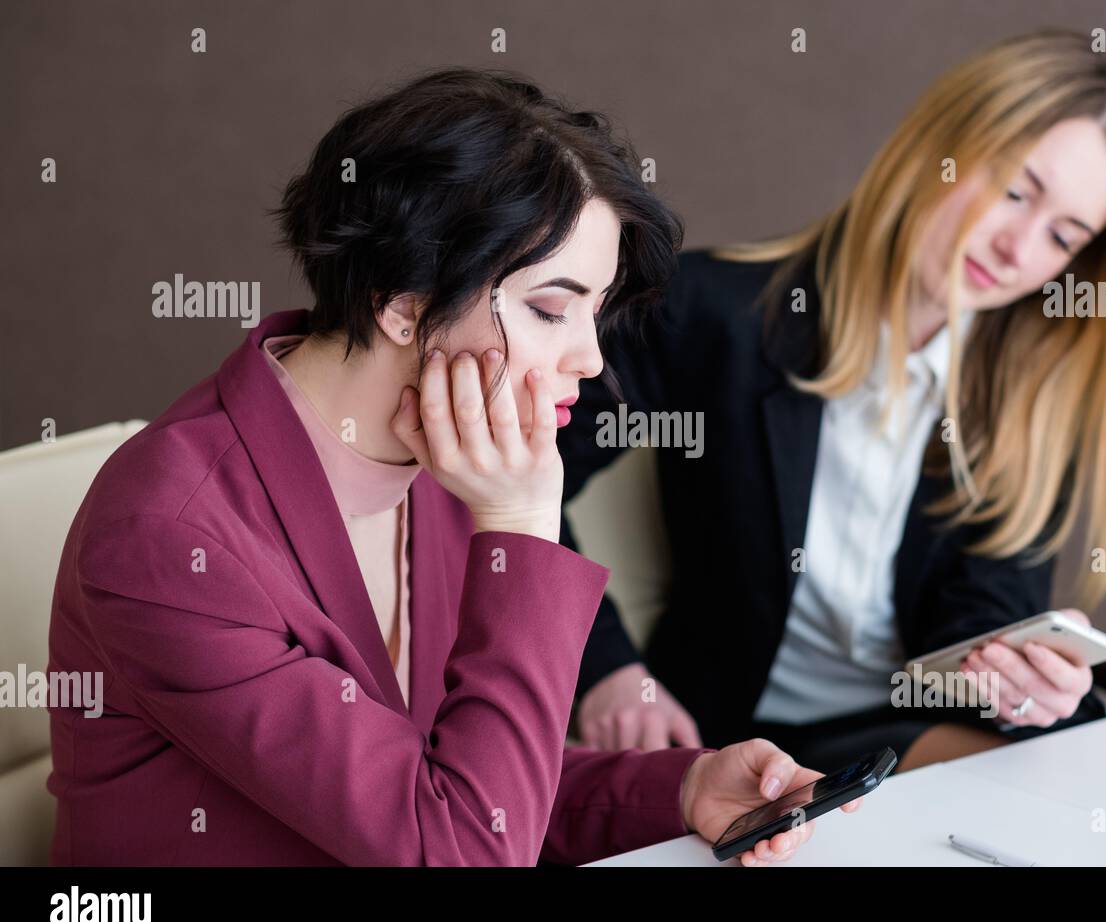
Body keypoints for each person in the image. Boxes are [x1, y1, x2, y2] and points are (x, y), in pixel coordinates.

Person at [45, 68, 861, 867]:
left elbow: (458, 778)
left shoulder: (441, 459)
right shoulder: (171, 538)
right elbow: (462, 845)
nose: (589, 358)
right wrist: (520, 526)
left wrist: (681, 789)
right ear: (402, 302)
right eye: (550, 309)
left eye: (595, 312)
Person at [562, 30, 1106, 772]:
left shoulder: (1029, 394)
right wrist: (607, 668)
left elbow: (979, 613)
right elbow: (523, 485)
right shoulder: (713, 315)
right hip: (727, 731)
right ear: (935, 148)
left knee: (1063, 754)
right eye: (1013, 191)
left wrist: (1020, 667)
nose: (1020, 250)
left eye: (1063, 237)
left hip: (901, 721)